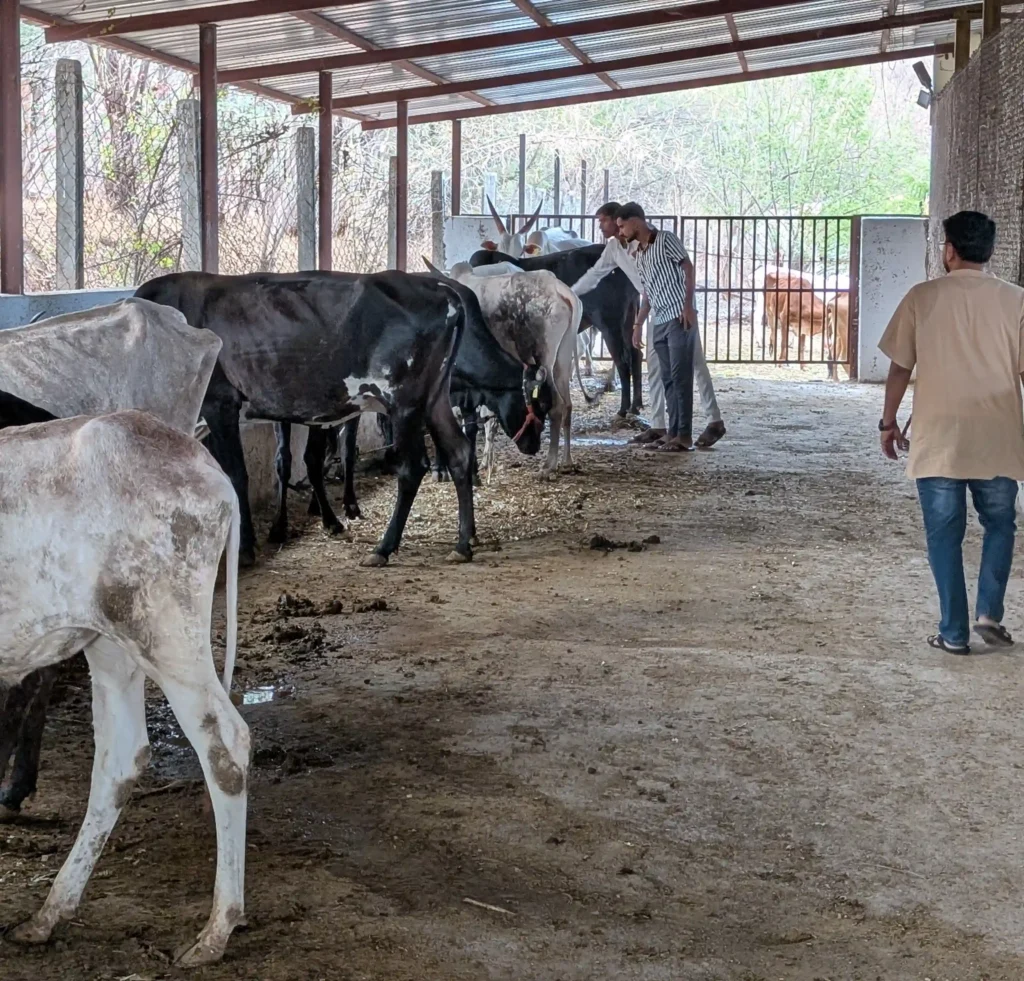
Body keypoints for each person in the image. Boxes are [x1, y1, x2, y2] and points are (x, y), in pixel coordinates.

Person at [879, 210, 1024, 655]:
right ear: (990, 251)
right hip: (997, 433)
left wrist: (888, 423)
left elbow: (900, 366)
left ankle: (954, 633)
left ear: (949, 250)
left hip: (938, 437)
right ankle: (988, 613)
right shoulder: (1017, 300)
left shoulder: (922, 298)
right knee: (1000, 523)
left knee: (944, 533)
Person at [571, 202, 726, 448]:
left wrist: (686, 304)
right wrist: (570, 293)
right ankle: (659, 425)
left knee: (692, 365)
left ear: (619, 220)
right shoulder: (616, 248)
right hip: (654, 305)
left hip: (676, 305)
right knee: (658, 368)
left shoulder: (652, 240)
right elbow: (595, 274)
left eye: (604, 221)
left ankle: (711, 420)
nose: (602, 226)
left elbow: (684, 266)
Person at [614, 202, 698, 452]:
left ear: (636, 222)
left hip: (677, 316)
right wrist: (639, 323)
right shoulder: (640, 254)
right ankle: (673, 432)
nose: (620, 232)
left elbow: (688, 267)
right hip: (659, 319)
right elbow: (648, 292)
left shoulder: (666, 239)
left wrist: (688, 305)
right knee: (668, 379)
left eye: (622, 226)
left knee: (680, 376)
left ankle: (684, 435)